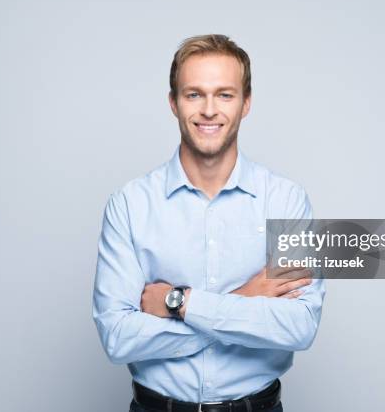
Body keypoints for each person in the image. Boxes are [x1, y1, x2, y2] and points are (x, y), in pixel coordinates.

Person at [92, 34, 326, 412]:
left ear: (246, 104)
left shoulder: (287, 201)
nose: (209, 110)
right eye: (194, 94)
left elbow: (298, 327)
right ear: (173, 102)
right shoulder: (129, 205)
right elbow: (118, 338)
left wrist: (179, 303)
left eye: (225, 94)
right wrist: (245, 300)